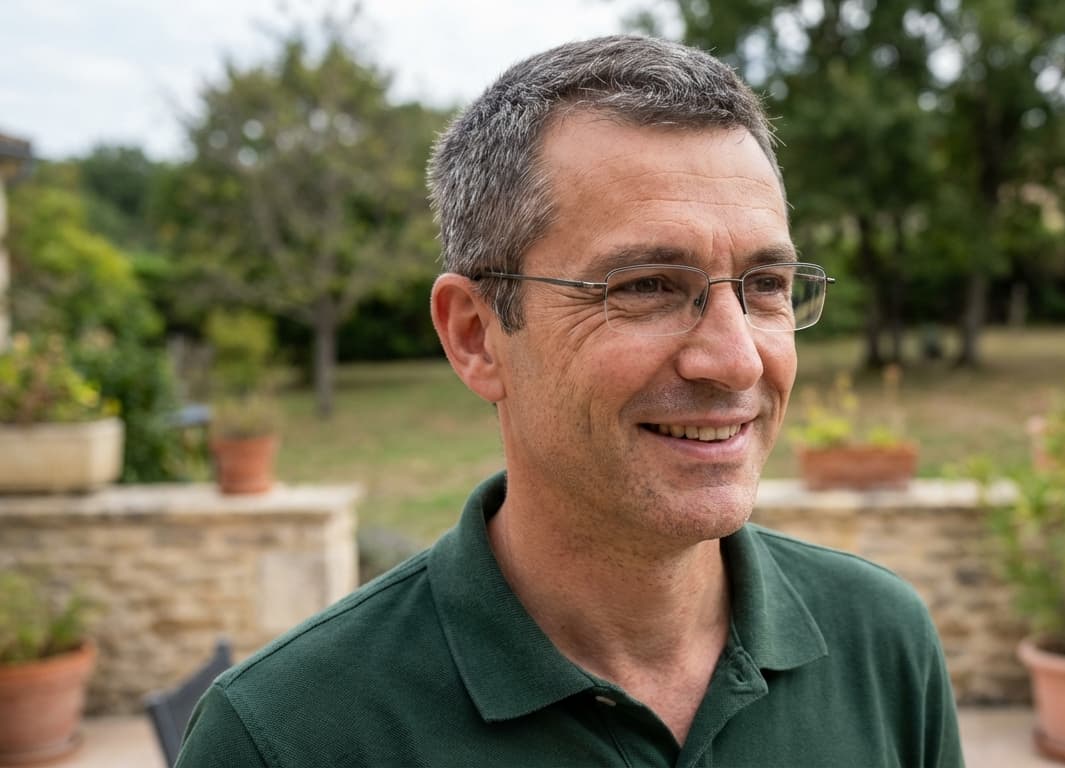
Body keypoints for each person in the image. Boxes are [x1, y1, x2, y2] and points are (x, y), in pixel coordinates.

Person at [176, 35, 965, 767]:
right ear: (476, 336)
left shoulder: (883, 642)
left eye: (765, 284)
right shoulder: (283, 738)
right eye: (647, 286)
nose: (735, 359)